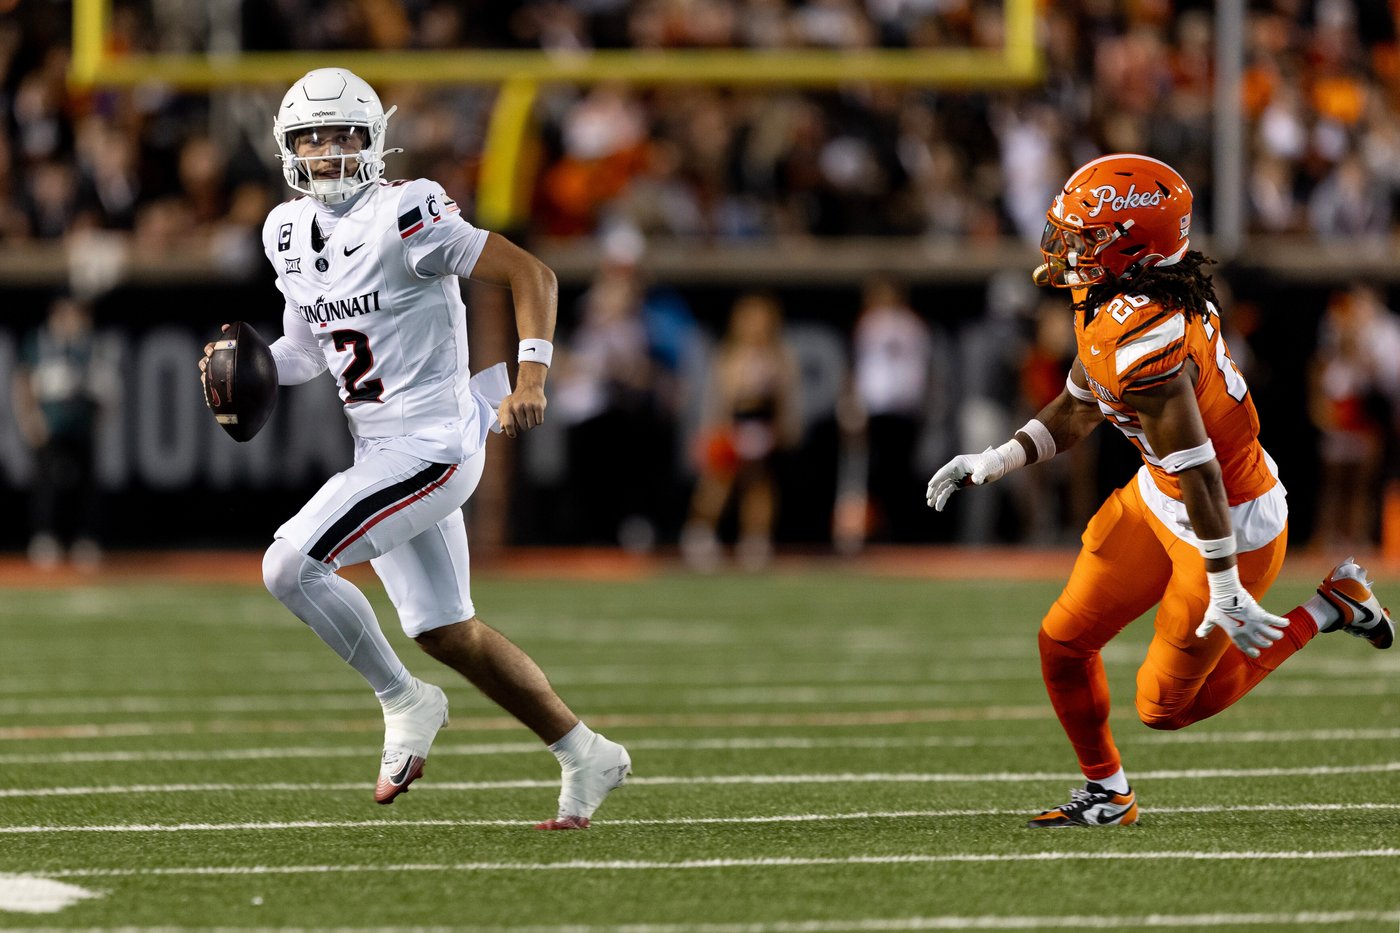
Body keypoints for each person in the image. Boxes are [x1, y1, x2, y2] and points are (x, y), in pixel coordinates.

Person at [199, 68, 629, 829]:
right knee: (444, 629)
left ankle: (404, 699)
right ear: (288, 148)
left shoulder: (406, 212)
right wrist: (247, 363)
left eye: (342, 135)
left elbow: (531, 272)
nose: (327, 152)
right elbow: (307, 352)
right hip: (379, 448)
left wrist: (532, 376)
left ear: (373, 140)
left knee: (290, 565)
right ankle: (584, 751)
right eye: (311, 139)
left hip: (435, 441)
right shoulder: (285, 230)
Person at [927, 153, 1394, 828]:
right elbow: (1082, 401)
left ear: (1133, 247)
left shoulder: (1149, 339)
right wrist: (995, 460)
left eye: (1087, 236)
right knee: (1063, 642)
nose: (1066, 247)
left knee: (1166, 708)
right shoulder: (1122, 298)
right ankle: (1108, 793)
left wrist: (1226, 587)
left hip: (1227, 522)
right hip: (1162, 493)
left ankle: (1330, 607)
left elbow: (1202, 471)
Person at [681, 292, 801, 571]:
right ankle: (700, 535)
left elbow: (786, 398)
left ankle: (755, 540)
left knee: (758, 485)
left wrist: (785, 426)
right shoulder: (730, 355)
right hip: (732, 426)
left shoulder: (779, 356)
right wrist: (713, 432)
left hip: (762, 427)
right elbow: (719, 398)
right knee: (718, 484)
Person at [12, 294, 108, 570]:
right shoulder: (39, 343)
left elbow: (105, 389)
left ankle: (85, 539)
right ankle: (45, 537)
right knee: (46, 484)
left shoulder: (90, 346)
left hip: (80, 425)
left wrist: (98, 421)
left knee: (86, 486)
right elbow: (23, 382)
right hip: (49, 425)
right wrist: (29, 419)